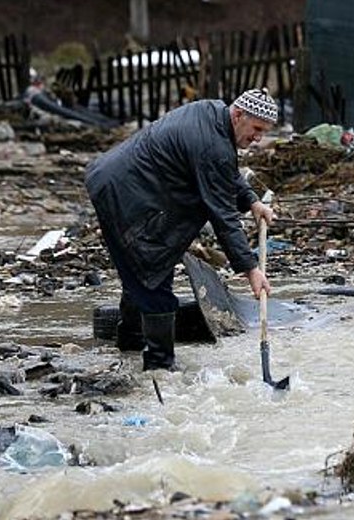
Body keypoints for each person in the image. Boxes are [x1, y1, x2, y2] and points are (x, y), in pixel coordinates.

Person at [85, 88, 278, 370]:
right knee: (153, 280)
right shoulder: (214, 145)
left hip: (116, 182)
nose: (259, 138)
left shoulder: (211, 113)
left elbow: (224, 169)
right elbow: (223, 214)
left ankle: (129, 346)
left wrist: (250, 200)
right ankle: (160, 368)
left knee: (140, 272)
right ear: (238, 115)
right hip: (124, 193)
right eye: (257, 129)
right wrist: (251, 269)